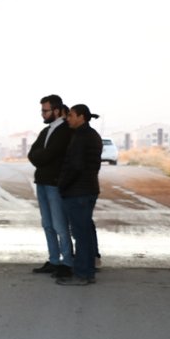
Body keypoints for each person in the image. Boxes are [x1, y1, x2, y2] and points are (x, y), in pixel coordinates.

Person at [28, 94, 74, 278]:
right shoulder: (46, 131)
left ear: (56, 111)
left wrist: (42, 157)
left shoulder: (65, 131)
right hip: (42, 183)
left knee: (60, 225)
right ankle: (54, 260)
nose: (42, 114)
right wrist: (42, 157)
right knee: (47, 224)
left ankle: (67, 262)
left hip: (55, 184)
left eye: (45, 110)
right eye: (42, 110)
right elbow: (33, 154)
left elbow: (49, 155)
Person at [56, 104, 102, 286]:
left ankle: (82, 274)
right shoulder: (90, 135)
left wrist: (62, 185)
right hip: (87, 189)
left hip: (78, 192)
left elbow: (75, 166)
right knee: (85, 233)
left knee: (81, 235)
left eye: (71, 115)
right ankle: (87, 272)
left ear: (81, 117)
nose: (68, 118)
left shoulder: (82, 137)